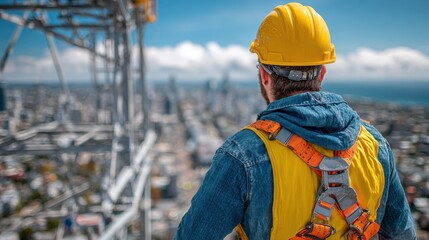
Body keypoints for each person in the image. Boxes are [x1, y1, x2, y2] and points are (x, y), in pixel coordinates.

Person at [174, 2, 416, 239]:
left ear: (263, 75)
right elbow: (403, 234)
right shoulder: (375, 146)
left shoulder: (242, 155)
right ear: (322, 73)